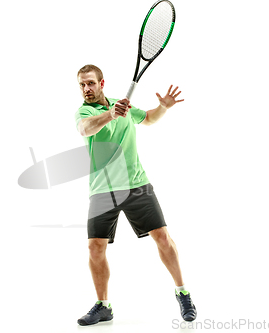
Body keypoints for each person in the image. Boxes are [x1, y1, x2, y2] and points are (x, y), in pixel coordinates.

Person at [74, 64, 196, 326]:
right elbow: (85, 129)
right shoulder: (84, 111)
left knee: (162, 237)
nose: (86, 89)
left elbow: (149, 118)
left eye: (91, 83)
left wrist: (163, 107)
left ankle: (183, 292)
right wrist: (109, 114)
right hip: (102, 189)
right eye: (82, 85)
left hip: (136, 184)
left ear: (101, 83)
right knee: (95, 247)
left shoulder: (122, 105)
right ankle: (103, 306)